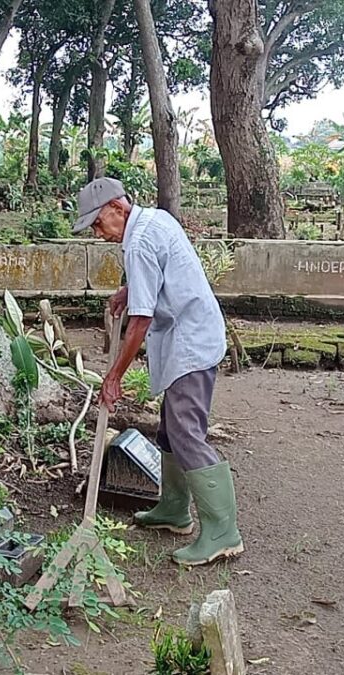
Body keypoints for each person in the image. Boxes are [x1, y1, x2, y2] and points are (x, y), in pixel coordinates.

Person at [72, 177, 244, 566]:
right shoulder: (155, 220)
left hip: (191, 341)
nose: (99, 235)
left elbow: (141, 321)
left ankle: (222, 532)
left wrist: (114, 377)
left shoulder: (139, 242)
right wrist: (128, 290)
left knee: (186, 432)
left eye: (98, 224)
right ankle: (173, 508)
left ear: (117, 208)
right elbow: (159, 281)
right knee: (170, 429)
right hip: (190, 333)